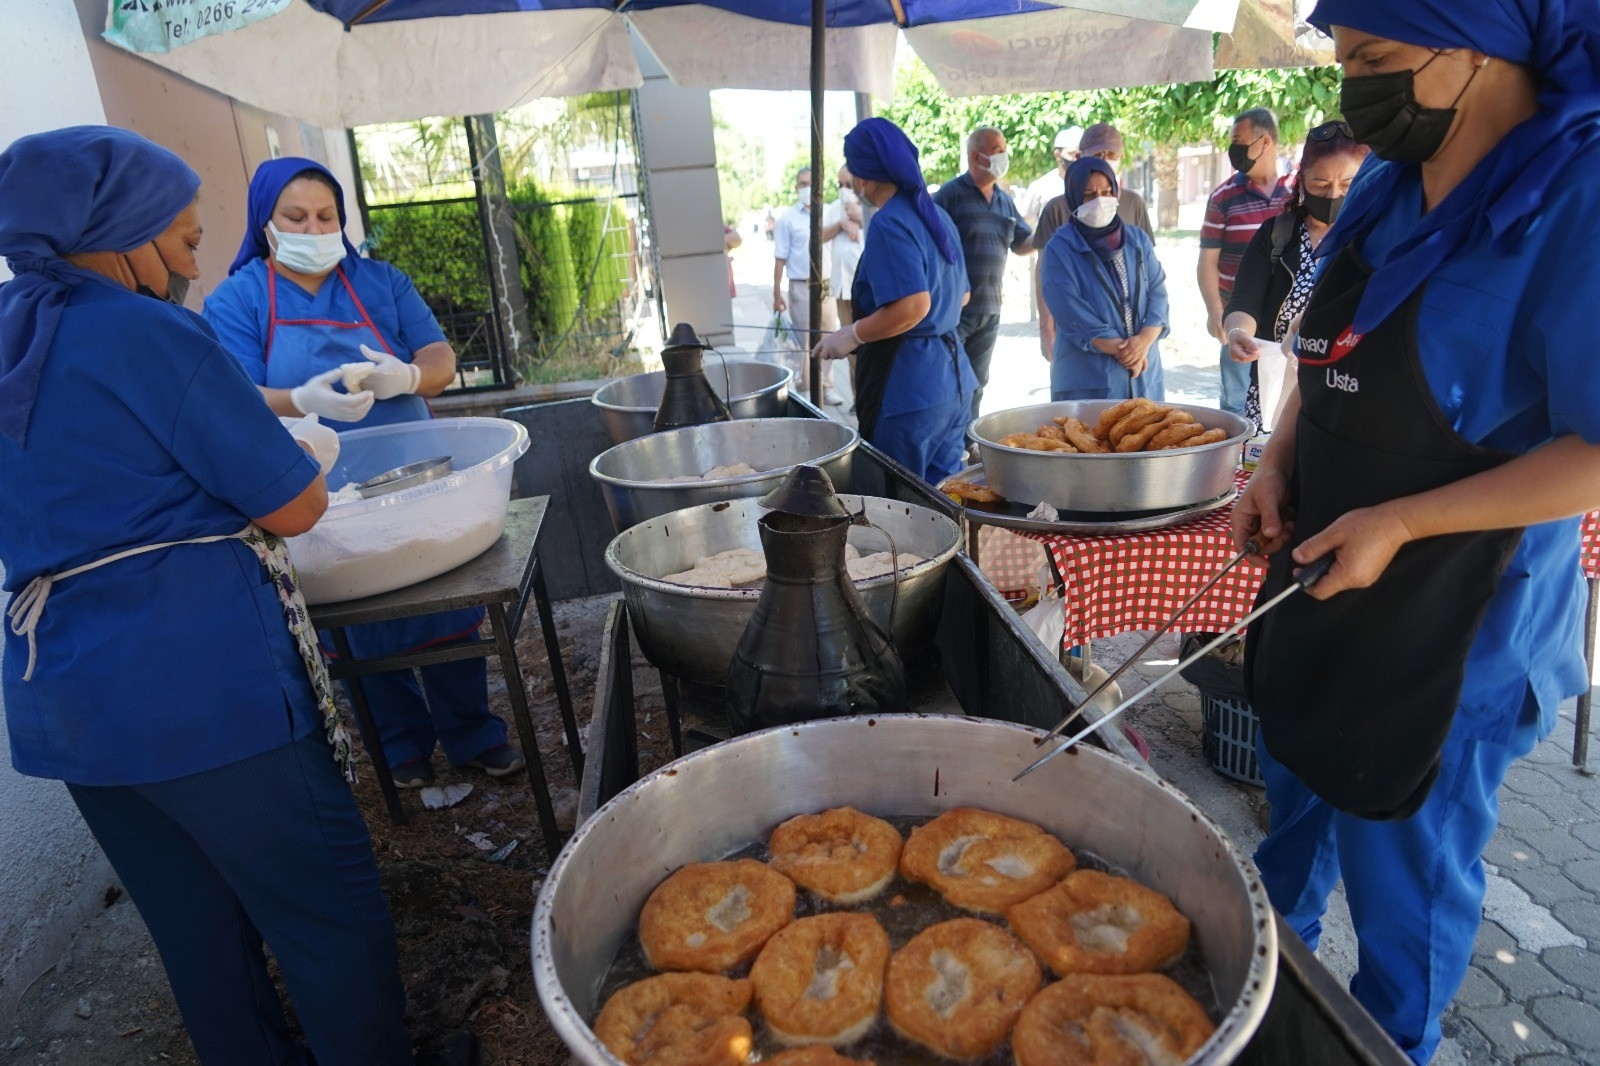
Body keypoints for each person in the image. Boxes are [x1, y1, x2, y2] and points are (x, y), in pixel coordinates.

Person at [1233, 3, 1600, 1061]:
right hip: (1322, 581)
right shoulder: (1385, 188)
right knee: (1291, 810)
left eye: (1375, 60)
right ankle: (1264, 998)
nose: (1353, 86)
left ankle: (1390, 1044)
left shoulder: (1573, 198)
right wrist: (1276, 462)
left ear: (1476, 49)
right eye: (1344, 59)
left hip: (1455, 631)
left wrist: (1403, 519)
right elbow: (1325, 352)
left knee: (1402, 878)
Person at [0, 127, 411, 1064]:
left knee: (196, 931)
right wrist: (307, 448)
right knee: (325, 912)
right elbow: (297, 506)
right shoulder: (144, 328)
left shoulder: (11, 334)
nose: (192, 262)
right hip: (200, 689)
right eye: (184, 240)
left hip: (66, 699)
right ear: (117, 233)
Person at [204, 158, 523, 791]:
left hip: (415, 473)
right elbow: (232, 392)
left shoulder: (380, 282)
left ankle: (473, 732)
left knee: (442, 606)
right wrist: (303, 399)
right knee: (359, 617)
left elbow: (438, 356)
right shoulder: (238, 299)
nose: (313, 227)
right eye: (295, 217)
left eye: (326, 216)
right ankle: (400, 745)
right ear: (265, 223)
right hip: (318, 489)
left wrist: (405, 376)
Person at [811, 118, 976, 483]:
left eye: (852, 171)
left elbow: (914, 306)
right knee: (943, 497)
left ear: (864, 175)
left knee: (898, 505)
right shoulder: (937, 216)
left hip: (909, 387)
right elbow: (962, 295)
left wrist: (852, 334)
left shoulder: (889, 222)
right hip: (953, 381)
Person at [1224, 121, 1367, 432]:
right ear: (1301, 180)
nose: (1333, 194)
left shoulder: (1376, 238)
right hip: (1274, 392)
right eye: (1320, 184)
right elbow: (1244, 301)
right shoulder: (1277, 235)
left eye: (1347, 184)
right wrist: (1238, 333)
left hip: (1350, 397)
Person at [1039, 158, 1168, 402]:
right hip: (1088, 380)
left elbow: (1158, 293)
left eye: (1107, 192)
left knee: (1148, 438)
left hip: (1144, 373)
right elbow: (1070, 311)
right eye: (1089, 194)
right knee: (1088, 439)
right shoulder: (1060, 248)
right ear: (1074, 197)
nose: (1100, 200)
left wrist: (1143, 341)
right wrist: (1126, 351)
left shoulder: (1137, 240)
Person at [932, 125, 1034, 421]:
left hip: (990, 309)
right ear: (976, 157)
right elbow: (930, 244)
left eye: (1004, 149)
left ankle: (966, 440)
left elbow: (1022, 243)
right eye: (997, 150)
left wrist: (1048, 234)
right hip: (954, 311)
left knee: (977, 382)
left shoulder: (1004, 201)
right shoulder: (950, 195)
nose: (1004, 156)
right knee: (949, 380)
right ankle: (945, 440)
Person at [1033, 123, 1155, 361]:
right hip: (1081, 343)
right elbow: (1047, 277)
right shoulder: (1057, 210)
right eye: (1099, 155)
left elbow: (1151, 277)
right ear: (1080, 156)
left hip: (1137, 345)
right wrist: (1046, 329)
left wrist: (1145, 339)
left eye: (1112, 155)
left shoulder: (1133, 204)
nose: (1106, 160)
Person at [1199, 108, 1292, 417]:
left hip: (1287, 331)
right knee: (1235, 410)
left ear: (1264, 142)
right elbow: (1208, 262)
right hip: (1238, 327)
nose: (1232, 150)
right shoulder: (1223, 197)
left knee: (1283, 409)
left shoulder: (1299, 192)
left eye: (1238, 141)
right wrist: (1216, 311)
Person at [771, 167, 841, 404]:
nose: (806, 188)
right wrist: (776, 293)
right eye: (802, 184)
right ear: (795, 187)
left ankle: (826, 386)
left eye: (810, 183)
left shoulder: (830, 212)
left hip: (826, 285)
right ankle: (810, 389)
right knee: (805, 340)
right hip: (801, 286)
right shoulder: (787, 219)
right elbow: (780, 259)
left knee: (829, 334)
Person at [821, 166, 865, 396]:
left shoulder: (870, 207)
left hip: (866, 292)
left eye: (848, 185)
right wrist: (840, 224)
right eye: (840, 185)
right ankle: (857, 398)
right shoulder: (834, 209)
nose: (844, 190)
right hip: (842, 289)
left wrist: (860, 217)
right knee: (851, 351)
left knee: (866, 347)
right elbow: (819, 236)